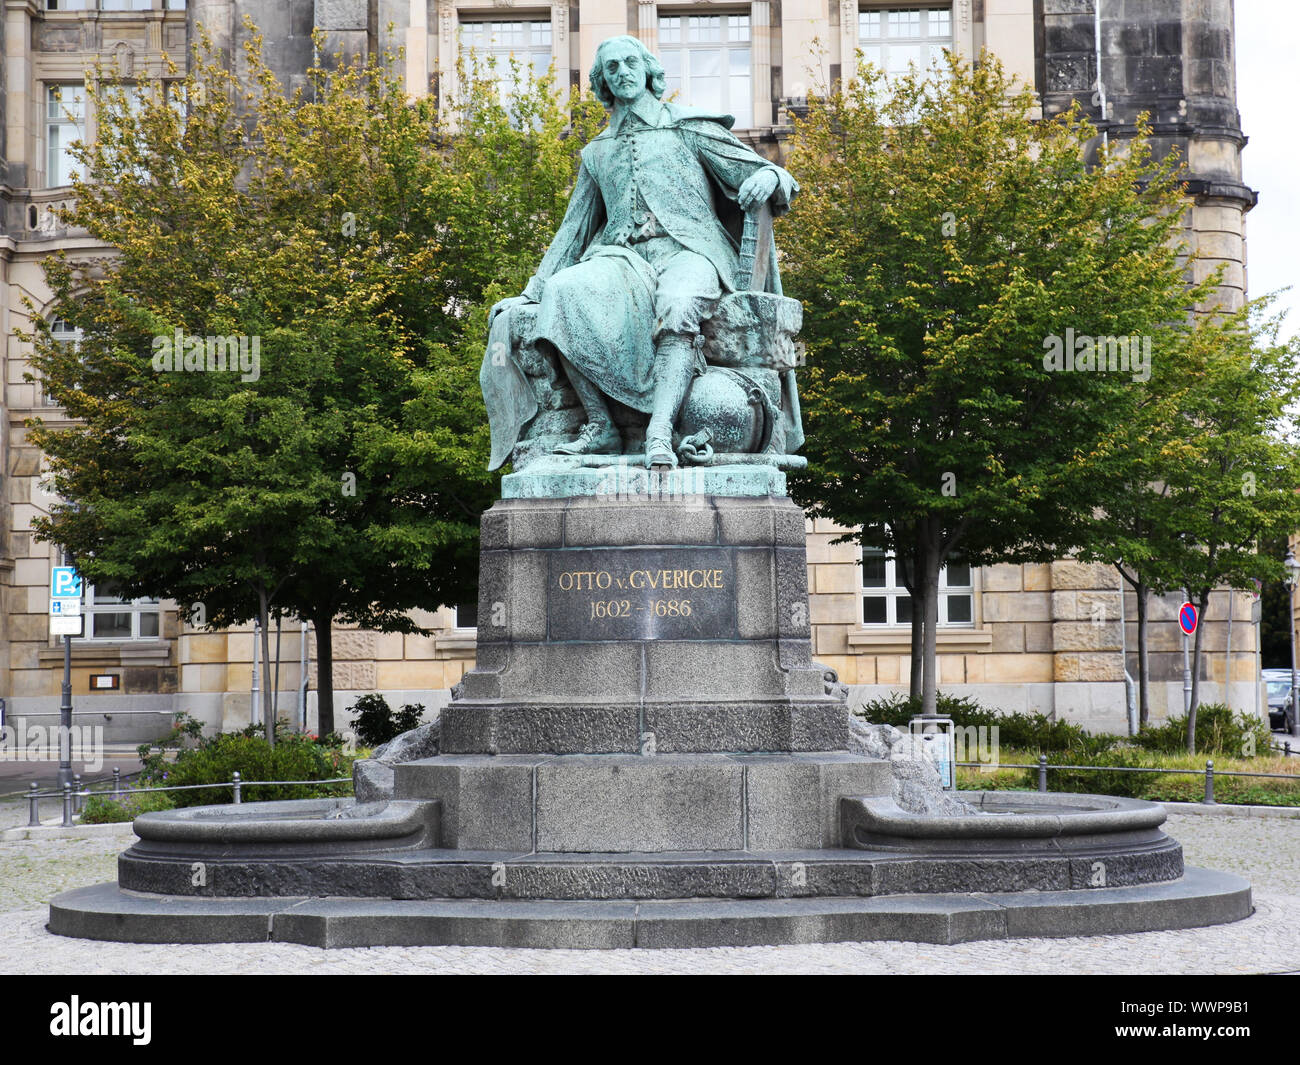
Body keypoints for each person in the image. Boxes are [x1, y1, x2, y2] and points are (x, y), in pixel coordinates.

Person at [489, 34, 798, 468]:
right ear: (603, 83)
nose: (622, 73)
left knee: (677, 303)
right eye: (611, 68)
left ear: (649, 71)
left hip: (691, 251)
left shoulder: (688, 126)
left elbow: (771, 175)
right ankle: (601, 425)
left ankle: (659, 433)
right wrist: (531, 292)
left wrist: (771, 178)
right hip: (622, 257)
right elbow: (573, 230)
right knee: (561, 294)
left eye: (630, 63)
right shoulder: (597, 151)